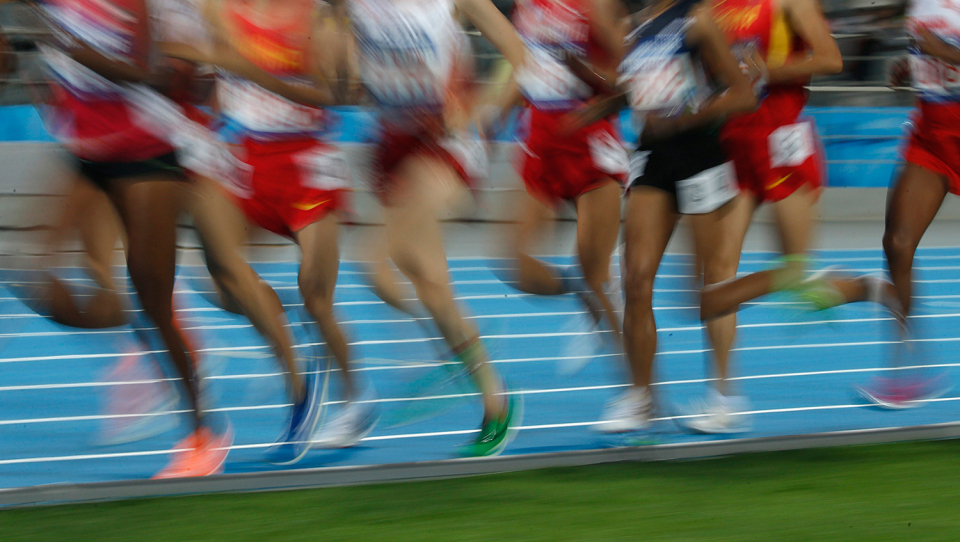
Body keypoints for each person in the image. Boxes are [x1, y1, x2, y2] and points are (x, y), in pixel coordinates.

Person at [161, 0, 374, 456]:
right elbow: (203, 73)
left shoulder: (317, 15)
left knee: (317, 298)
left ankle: (357, 398)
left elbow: (341, 94)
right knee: (221, 271)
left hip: (306, 163)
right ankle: (299, 386)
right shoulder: (218, 9)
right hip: (246, 156)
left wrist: (248, 69)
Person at [29, 0, 232, 477]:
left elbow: (158, 74)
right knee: (38, 274)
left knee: (154, 304)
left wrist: (79, 53)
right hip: (88, 151)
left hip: (146, 151)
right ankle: (149, 335)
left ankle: (203, 431)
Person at [684, 0, 894, 431]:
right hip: (733, 142)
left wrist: (766, 71)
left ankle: (870, 288)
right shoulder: (712, 7)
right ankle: (722, 399)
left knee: (798, 283)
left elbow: (830, 59)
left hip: (783, 139)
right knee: (718, 276)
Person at [345, 0, 528, 455]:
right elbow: (347, 65)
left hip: (446, 141)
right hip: (393, 144)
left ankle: (439, 362)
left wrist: (484, 111)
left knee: (375, 262)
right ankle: (495, 401)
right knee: (431, 288)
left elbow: (519, 53)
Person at [569, 0, 756, 433]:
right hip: (653, 157)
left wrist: (690, 117)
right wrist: (602, 104)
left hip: (700, 156)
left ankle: (724, 398)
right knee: (635, 280)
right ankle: (642, 398)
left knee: (712, 285)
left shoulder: (698, 19)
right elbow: (641, 89)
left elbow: (742, 94)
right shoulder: (636, 27)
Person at [785, 0, 957, 408]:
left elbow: (942, 48)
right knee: (897, 245)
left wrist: (943, 52)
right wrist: (914, 67)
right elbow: (931, 53)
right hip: (933, 133)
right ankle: (907, 370)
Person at [490, 0, 629, 356]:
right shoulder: (526, 5)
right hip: (541, 143)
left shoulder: (598, 4)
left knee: (598, 278)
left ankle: (638, 383)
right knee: (513, 262)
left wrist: (582, 70)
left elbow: (630, 81)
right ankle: (580, 287)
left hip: (588, 144)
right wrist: (496, 117)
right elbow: (526, 64)